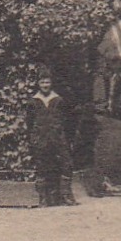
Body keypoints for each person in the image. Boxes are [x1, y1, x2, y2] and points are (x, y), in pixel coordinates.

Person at [26, 69, 77, 207]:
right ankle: (43, 198)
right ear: (38, 84)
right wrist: (33, 138)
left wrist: (65, 137)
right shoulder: (33, 102)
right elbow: (29, 123)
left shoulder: (59, 100)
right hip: (40, 139)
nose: (45, 85)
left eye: (47, 82)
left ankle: (66, 195)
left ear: (51, 83)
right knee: (42, 167)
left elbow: (67, 121)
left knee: (66, 164)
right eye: (42, 82)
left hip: (58, 138)